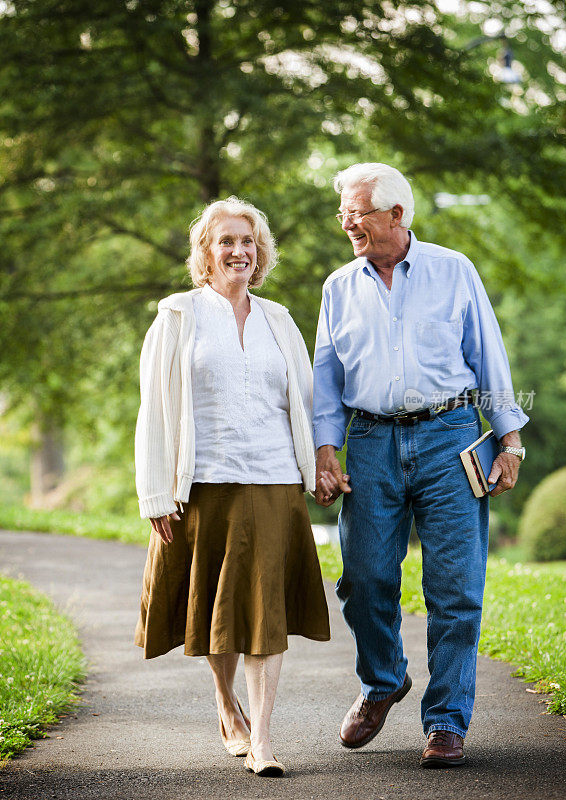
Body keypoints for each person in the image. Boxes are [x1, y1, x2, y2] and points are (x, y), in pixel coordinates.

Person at [313, 163, 528, 768]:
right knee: (363, 578)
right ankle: (383, 682)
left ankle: (446, 722)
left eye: (355, 212)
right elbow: (326, 377)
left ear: (395, 214)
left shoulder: (453, 270)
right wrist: (326, 451)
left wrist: (508, 441)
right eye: (344, 213)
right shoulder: (339, 286)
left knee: (456, 589)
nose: (346, 223)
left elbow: (489, 355)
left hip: (451, 436)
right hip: (373, 442)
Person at [134, 196, 330, 778]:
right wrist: (155, 493)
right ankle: (226, 705)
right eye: (226, 241)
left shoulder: (280, 321)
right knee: (218, 612)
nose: (239, 251)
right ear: (206, 252)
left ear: (260, 251)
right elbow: (155, 410)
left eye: (248, 242)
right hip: (203, 483)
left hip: (273, 481)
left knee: (264, 614)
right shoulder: (176, 316)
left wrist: (318, 465)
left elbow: (307, 403)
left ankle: (264, 739)